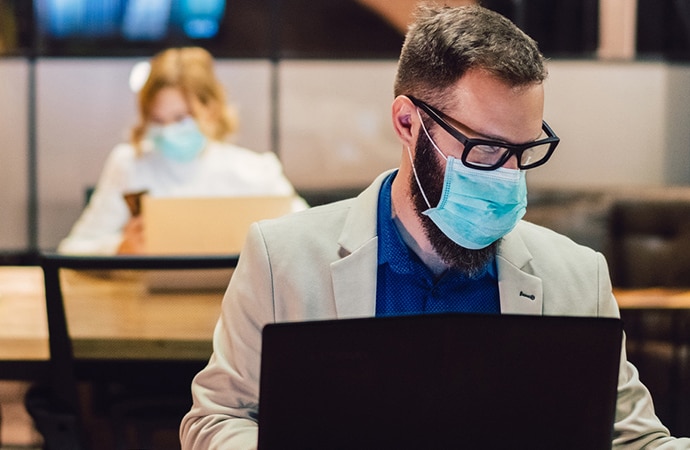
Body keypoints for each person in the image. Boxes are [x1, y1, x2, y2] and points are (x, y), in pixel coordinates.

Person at [180, 5, 690, 449]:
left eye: (524, 151)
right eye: (486, 149)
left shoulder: (577, 278)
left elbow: (635, 439)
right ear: (407, 123)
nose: (509, 176)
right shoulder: (281, 260)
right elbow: (218, 418)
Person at [57, 46, 306, 255]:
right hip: (145, 308)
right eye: (157, 120)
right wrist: (121, 248)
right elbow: (73, 249)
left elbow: (308, 237)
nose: (167, 131)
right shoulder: (130, 164)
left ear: (212, 110)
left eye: (180, 118)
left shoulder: (255, 171)